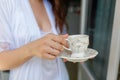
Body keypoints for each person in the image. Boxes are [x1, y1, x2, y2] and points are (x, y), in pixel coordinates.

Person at [0, 0, 69, 80]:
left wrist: (71, 49)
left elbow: (62, 44)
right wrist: (32, 49)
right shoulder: (6, 3)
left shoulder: (51, 3)